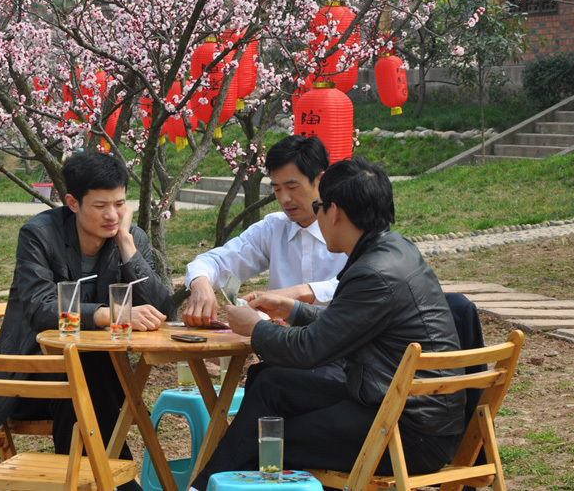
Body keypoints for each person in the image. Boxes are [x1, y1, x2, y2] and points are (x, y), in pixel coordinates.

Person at [188, 157, 465, 490]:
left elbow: (309, 349)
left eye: (318, 207)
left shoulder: (373, 272)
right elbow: (349, 323)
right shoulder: (395, 249)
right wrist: (293, 310)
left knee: (266, 441)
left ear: (334, 212)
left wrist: (255, 327)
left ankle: (204, 486)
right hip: (401, 408)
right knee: (270, 383)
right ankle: (203, 486)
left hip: (408, 435)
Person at [0, 151, 171, 491]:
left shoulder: (130, 238)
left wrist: (125, 243)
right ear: (72, 202)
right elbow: (40, 308)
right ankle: (120, 485)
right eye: (100, 206)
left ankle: (98, 483)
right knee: (80, 372)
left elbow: (161, 307)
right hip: (30, 379)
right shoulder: (39, 234)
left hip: (98, 382)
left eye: (120, 204)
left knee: (84, 378)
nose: (112, 215)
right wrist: (111, 314)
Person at [183, 135, 347, 326]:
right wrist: (201, 283)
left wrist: (293, 294)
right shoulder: (273, 228)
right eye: (277, 189)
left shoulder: (347, 226)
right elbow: (218, 261)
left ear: (320, 180)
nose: (284, 199)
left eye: (292, 187)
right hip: (281, 346)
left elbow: (363, 284)